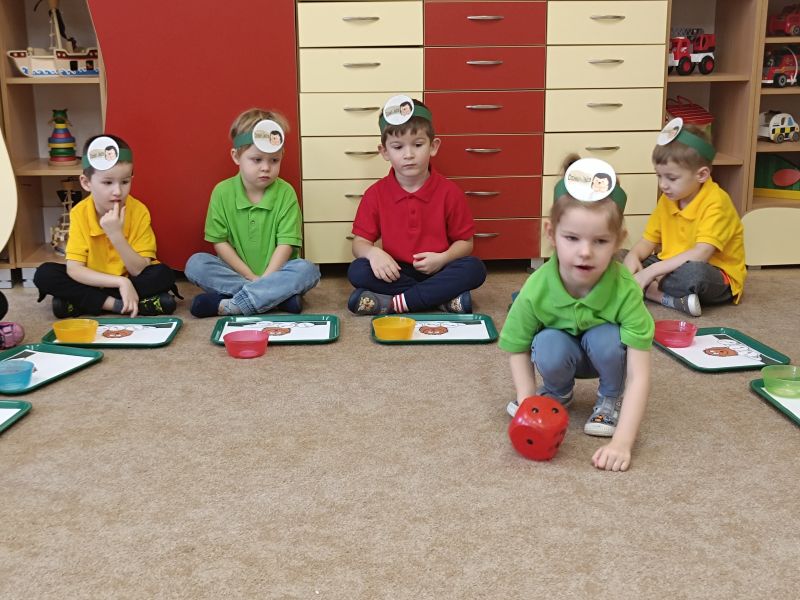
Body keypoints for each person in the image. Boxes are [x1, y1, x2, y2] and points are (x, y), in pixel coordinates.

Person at [500, 156, 654, 472]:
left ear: (618, 241)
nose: (585, 252)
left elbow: (640, 374)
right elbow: (517, 347)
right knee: (547, 342)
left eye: (600, 241)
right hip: (562, 354)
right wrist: (529, 404)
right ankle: (556, 394)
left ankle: (609, 398)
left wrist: (622, 443)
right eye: (572, 238)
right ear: (551, 233)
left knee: (606, 338)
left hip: (605, 358)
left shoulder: (626, 289)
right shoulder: (536, 288)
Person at [347, 98, 486, 315]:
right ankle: (440, 299)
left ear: (433, 146)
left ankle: (394, 303)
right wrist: (373, 253)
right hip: (396, 271)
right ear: (384, 152)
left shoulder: (449, 192)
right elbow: (359, 244)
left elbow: (466, 243)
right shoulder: (375, 194)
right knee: (358, 270)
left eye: (418, 145)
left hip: (438, 268)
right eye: (398, 147)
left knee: (474, 268)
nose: (409, 155)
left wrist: (443, 258)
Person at [185, 108, 320, 317]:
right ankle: (273, 299)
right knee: (196, 264)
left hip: (276, 273)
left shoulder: (286, 193)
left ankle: (234, 305)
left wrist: (266, 279)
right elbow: (220, 243)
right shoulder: (222, 192)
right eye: (257, 160)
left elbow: (286, 244)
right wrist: (253, 279)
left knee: (308, 270)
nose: (266, 167)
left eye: (274, 160)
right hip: (237, 273)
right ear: (236, 156)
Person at [34, 134, 178, 318]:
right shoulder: (79, 213)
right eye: (107, 182)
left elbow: (139, 270)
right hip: (94, 280)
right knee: (45, 274)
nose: (118, 191)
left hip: (131, 277)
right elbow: (75, 269)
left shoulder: (139, 210)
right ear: (86, 183)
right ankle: (121, 304)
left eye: (125, 182)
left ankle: (84, 303)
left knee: (163, 274)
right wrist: (121, 283)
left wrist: (116, 235)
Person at [623, 122, 746, 317]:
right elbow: (648, 241)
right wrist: (633, 257)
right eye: (659, 176)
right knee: (617, 257)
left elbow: (701, 254)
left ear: (701, 175)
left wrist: (650, 272)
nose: (663, 185)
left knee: (694, 275)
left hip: (713, 272)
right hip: (669, 265)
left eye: (671, 178)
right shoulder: (668, 198)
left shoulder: (717, 202)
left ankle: (650, 289)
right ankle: (666, 296)